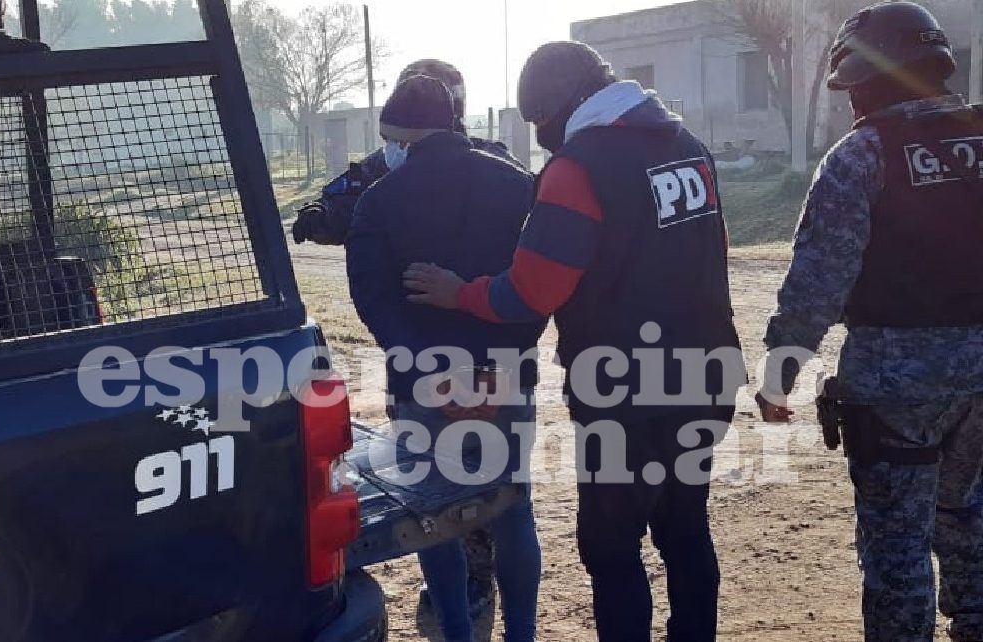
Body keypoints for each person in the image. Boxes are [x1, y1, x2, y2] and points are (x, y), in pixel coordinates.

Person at [403, 41, 744, 642]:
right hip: (708, 372)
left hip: (627, 392)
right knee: (685, 527)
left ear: (552, 111)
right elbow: (715, 250)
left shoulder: (578, 167)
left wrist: (461, 294)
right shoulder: (687, 147)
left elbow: (532, 290)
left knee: (611, 544)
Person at [753, 3, 983, 641]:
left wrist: (777, 377)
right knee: (970, 517)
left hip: (896, 384)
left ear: (869, 79)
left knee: (897, 547)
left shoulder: (861, 156)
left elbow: (818, 284)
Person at [346, 74, 544, 642]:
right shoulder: (518, 185)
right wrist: (498, 366)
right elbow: (538, 288)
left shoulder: (380, 200)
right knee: (512, 509)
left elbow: (374, 299)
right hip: (505, 381)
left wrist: (432, 373)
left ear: (400, 136)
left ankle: (457, 632)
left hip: (422, 389)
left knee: (433, 519)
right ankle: (522, 634)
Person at [293, 58, 519, 246]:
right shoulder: (382, 164)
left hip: (475, 285)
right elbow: (344, 200)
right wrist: (321, 215)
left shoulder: (493, 164)